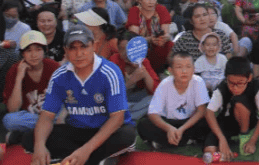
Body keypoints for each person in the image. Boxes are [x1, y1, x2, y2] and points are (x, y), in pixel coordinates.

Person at [23, 25, 136, 165]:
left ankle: (79, 158)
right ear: (65, 50)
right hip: (78, 129)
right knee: (30, 138)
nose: (79, 53)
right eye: (73, 48)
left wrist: (86, 150)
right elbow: (47, 116)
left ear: (94, 46)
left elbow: (117, 118)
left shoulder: (110, 72)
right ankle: (96, 159)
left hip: (107, 130)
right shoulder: (59, 76)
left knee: (126, 135)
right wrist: (39, 146)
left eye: (84, 47)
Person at [137, 51, 209, 148]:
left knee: (208, 122)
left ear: (194, 69)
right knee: (144, 125)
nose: (184, 71)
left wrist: (182, 129)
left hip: (188, 122)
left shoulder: (198, 82)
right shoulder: (164, 84)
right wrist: (169, 129)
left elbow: (201, 111)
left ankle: (167, 142)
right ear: (170, 70)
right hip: (168, 122)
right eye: (179, 67)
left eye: (188, 67)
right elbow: (153, 113)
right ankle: (187, 140)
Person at [203, 56, 259, 160]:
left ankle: (244, 135)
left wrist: (252, 140)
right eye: (231, 83)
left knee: (238, 101)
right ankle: (224, 154)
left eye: (240, 83)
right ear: (226, 78)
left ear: (249, 78)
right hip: (227, 122)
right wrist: (221, 139)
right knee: (209, 151)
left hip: (248, 119)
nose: (235, 87)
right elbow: (209, 112)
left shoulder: (257, 85)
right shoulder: (222, 87)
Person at [2, 31, 60, 145]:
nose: (34, 55)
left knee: (68, 116)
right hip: (31, 117)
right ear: (22, 54)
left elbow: (65, 99)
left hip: (52, 114)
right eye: (29, 51)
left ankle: (24, 136)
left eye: (38, 50)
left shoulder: (53, 66)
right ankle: (50, 130)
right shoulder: (14, 70)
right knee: (9, 120)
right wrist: (19, 77)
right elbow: (13, 109)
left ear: (44, 51)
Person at [109, 31, 160, 122]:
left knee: (156, 100)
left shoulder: (143, 61)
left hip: (137, 100)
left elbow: (156, 91)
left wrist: (145, 74)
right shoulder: (114, 60)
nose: (125, 53)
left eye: (128, 49)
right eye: (121, 49)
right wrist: (131, 81)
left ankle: (126, 117)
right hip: (120, 100)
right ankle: (128, 116)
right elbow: (110, 93)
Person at [126, 0, 173, 73]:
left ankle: (168, 72)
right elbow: (135, 40)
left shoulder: (161, 9)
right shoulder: (134, 11)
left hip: (158, 45)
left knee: (170, 45)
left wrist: (164, 37)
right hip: (142, 48)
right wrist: (149, 39)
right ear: (139, 0)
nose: (151, 2)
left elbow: (166, 33)